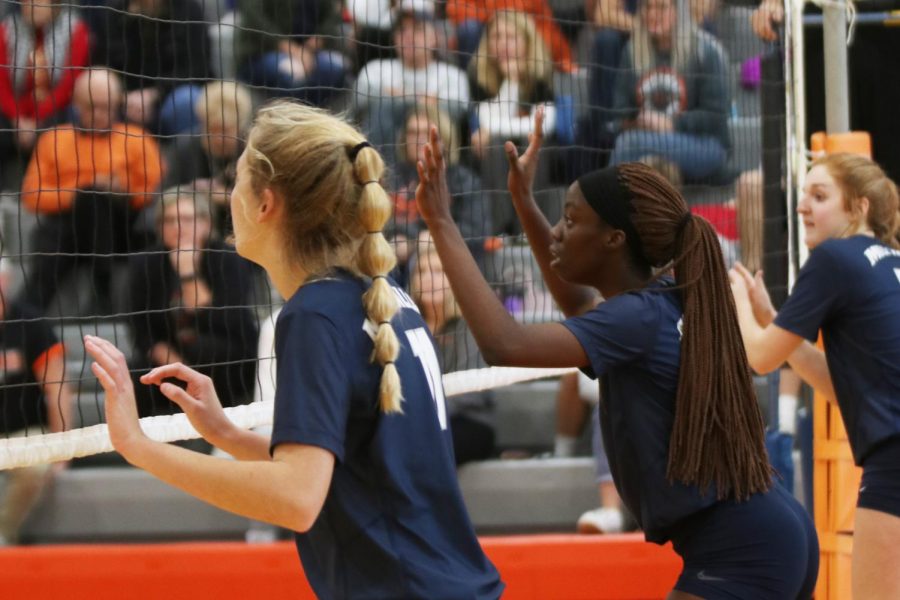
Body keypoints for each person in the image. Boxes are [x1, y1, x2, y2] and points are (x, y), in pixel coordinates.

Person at [83, 100, 504, 599]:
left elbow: (297, 498)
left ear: (265, 203)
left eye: (237, 177)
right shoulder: (387, 295)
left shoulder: (314, 314)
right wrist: (226, 433)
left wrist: (139, 446)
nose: (227, 195)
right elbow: (344, 467)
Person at [416, 109, 818, 598]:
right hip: (772, 527)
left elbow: (504, 344)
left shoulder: (636, 319)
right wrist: (523, 201)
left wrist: (440, 219)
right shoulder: (662, 298)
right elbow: (579, 303)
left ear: (614, 239)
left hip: (740, 547)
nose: (557, 233)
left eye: (570, 219)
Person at [730, 153, 900, 600]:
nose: (803, 205)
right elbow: (844, 387)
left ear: (858, 208)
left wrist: (738, 308)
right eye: (802, 194)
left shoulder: (833, 259)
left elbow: (761, 360)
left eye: (819, 196)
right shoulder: (888, 262)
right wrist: (769, 317)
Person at [19, 68, 162, 314]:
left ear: (118, 104)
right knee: (83, 204)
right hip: (69, 229)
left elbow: (150, 192)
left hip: (121, 228)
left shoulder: (138, 138)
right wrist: (82, 190)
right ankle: (26, 314)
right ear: (76, 105)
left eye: (106, 107)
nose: (99, 114)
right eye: (90, 106)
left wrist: (120, 190)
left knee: (97, 201)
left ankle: (102, 290)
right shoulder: (54, 139)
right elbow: (32, 195)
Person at [126, 187, 259, 418]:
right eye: (169, 220)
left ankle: (222, 430)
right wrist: (175, 365)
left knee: (204, 349)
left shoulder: (228, 259)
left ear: (206, 223)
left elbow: (227, 321)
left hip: (227, 350)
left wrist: (188, 274)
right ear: (159, 227)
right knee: (137, 368)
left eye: (187, 219)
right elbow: (141, 328)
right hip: (172, 354)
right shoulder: (146, 264)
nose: (178, 227)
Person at [608, 0, 731, 183]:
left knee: (629, 144)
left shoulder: (705, 51)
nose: (653, 14)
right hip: (647, 140)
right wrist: (639, 122)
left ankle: (604, 206)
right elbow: (618, 115)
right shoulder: (631, 51)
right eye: (648, 7)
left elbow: (715, 117)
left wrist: (671, 124)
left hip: (704, 146)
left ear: (678, 11)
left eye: (661, 7)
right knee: (629, 143)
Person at [0, 262, 74, 545]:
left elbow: (58, 390)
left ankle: (3, 536)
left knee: (35, 469)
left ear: (5, 281)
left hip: (24, 433)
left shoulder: (32, 325)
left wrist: (62, 450)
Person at [409, 239, 496, 465]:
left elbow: (472, 393)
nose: (429, 278)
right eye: (422, 271)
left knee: (421, 444)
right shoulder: (405, 326)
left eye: (438, 271)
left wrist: (421, 410)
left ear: (454, 279)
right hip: (418, 420)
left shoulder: (470, 326)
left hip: (468, 422)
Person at [354, 2, 470, 153]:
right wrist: (425, 100)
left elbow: (456, 112)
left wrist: (397, 96)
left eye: (418, 29)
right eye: (402, 30)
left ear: (435, 36)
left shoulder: (452, 75)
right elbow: (359, 104)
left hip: (435, 156)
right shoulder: (375, 69)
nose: (409, 36)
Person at [87, 0, 211, 136]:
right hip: (124, 97)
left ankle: (183, 156)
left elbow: (198, 67)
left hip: (169, 94)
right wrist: (122, 97)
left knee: (187, 100)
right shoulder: (115, 10)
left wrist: (154, 94)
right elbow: (103, 64)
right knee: (88, 101)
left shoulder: (188, 9)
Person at [0, 0, 89, 186]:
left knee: (61, 126)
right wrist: (17, 119)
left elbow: (69, 84)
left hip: (54, 108)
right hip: (15, 110)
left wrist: (36, 120)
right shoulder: (7, 29)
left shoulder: (75, 30)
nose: (29, 5)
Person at [163, 81, 254, 237]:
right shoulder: (185, 147)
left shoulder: (252, 150)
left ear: (240, 126)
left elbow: (260, 203)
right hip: (192, 232)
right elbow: (166, 194)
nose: (218, 138)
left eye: (225, 130)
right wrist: (191, 193)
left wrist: (226, 197)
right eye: (212, 129)